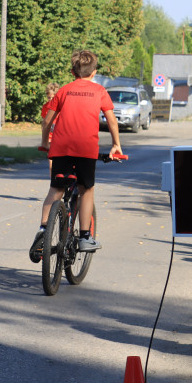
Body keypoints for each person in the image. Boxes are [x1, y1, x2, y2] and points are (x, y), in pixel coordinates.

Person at [29, 51, 121, 263]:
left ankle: (43, 230)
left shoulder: (64, 90)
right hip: (86, 149)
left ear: (72, 72)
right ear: (95, 72)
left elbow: (46, 122)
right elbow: (112, 121)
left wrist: (45, 143)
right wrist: (116, 145)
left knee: (56, 189)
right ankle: (85, 237)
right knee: (86, 189)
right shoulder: (99, 91)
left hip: (60, 147)